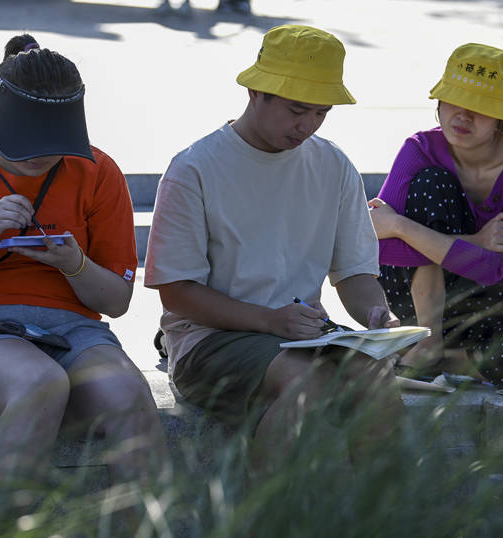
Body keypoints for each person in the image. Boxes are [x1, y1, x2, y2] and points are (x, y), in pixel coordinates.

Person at [0, 34, 166, 489]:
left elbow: (117, 301)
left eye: (55, 148)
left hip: (72, 327)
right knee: (38, 382)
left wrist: (73, 263)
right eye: (28, 150)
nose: (42, 160)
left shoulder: (99, 171)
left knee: (129, 396)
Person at [144, 25, 400, 475]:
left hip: (301, 332)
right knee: (306, 384)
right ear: (255, 92)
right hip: (207, 339)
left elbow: (355, 273)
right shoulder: (194, 168)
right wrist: (267, 320)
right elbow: (176, 293)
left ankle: (383, 536)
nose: (308, 125)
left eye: (321, 113)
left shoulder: (334, 164)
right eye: (297, 109)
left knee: (375, 377)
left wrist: (379, 316)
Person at [368, 42, 503, 395]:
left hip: (491, 302)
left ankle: (437, 359)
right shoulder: (419, 149)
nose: (463, 116)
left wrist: (400, 226)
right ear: (439, 102)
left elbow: (493, 268)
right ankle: (427, 341)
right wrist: (477, 242)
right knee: (433, 184)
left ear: (501, 117)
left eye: (479, 108)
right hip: (416, 299)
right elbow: (382, 251)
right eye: (454, 101)